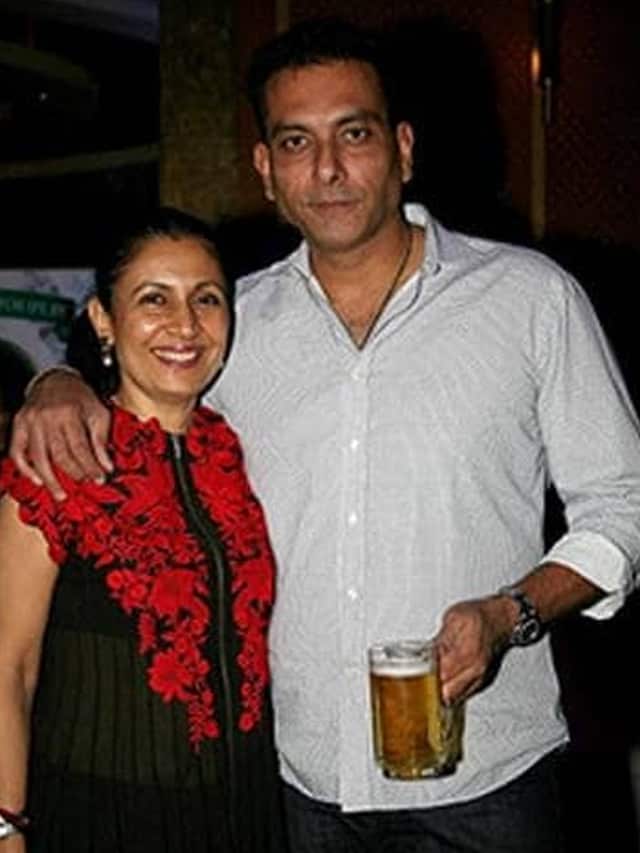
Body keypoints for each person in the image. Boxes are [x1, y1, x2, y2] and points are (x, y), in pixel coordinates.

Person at [9, 18, 640, 853]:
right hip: (292, 789)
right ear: (266, 169)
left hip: (485, 783)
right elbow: (135, 384)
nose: (329, 168)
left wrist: (510, 612)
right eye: (296, 142)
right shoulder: (231, 322)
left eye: (355, 133)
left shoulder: (531, 300)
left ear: (403, 148)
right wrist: (52, 381)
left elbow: (625, 507)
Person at [0, 208, 285, 852]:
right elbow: (7, 667)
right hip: (101, 819)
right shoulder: (57, 459)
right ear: (104, 318)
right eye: (154, 299)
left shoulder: (232, 453)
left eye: (206, 299)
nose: (185, 325)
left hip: (245, 816)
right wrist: (6, 830)